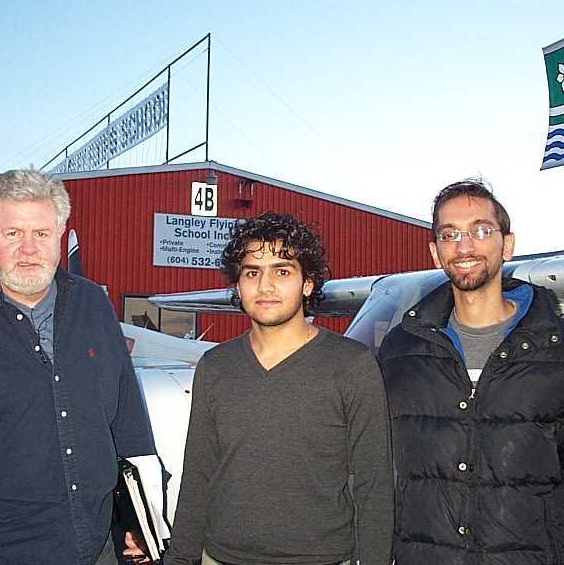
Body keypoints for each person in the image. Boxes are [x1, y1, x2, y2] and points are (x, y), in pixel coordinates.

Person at [0, 169, 161, 565]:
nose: (29, 248)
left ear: (59, 235)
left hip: (96, 549)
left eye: (41, 233)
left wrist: (143, 521)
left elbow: (128, 423)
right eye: (13, 233)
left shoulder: (94, 306)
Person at [378, 179, 564, 564]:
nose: (464, 246)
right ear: (435, 252)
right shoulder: (401, 351)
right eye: (450, 234)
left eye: (481, 231)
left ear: (507, 244)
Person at [163, 211, 394, 565]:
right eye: (252, 272)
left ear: (307, 283)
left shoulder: (352, 366)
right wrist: (180, 559)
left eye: (282, 271)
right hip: (222, 557)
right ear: (237, 286)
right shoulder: (215, 367)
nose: (265, 286)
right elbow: (198, 475)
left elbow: (374, 485)